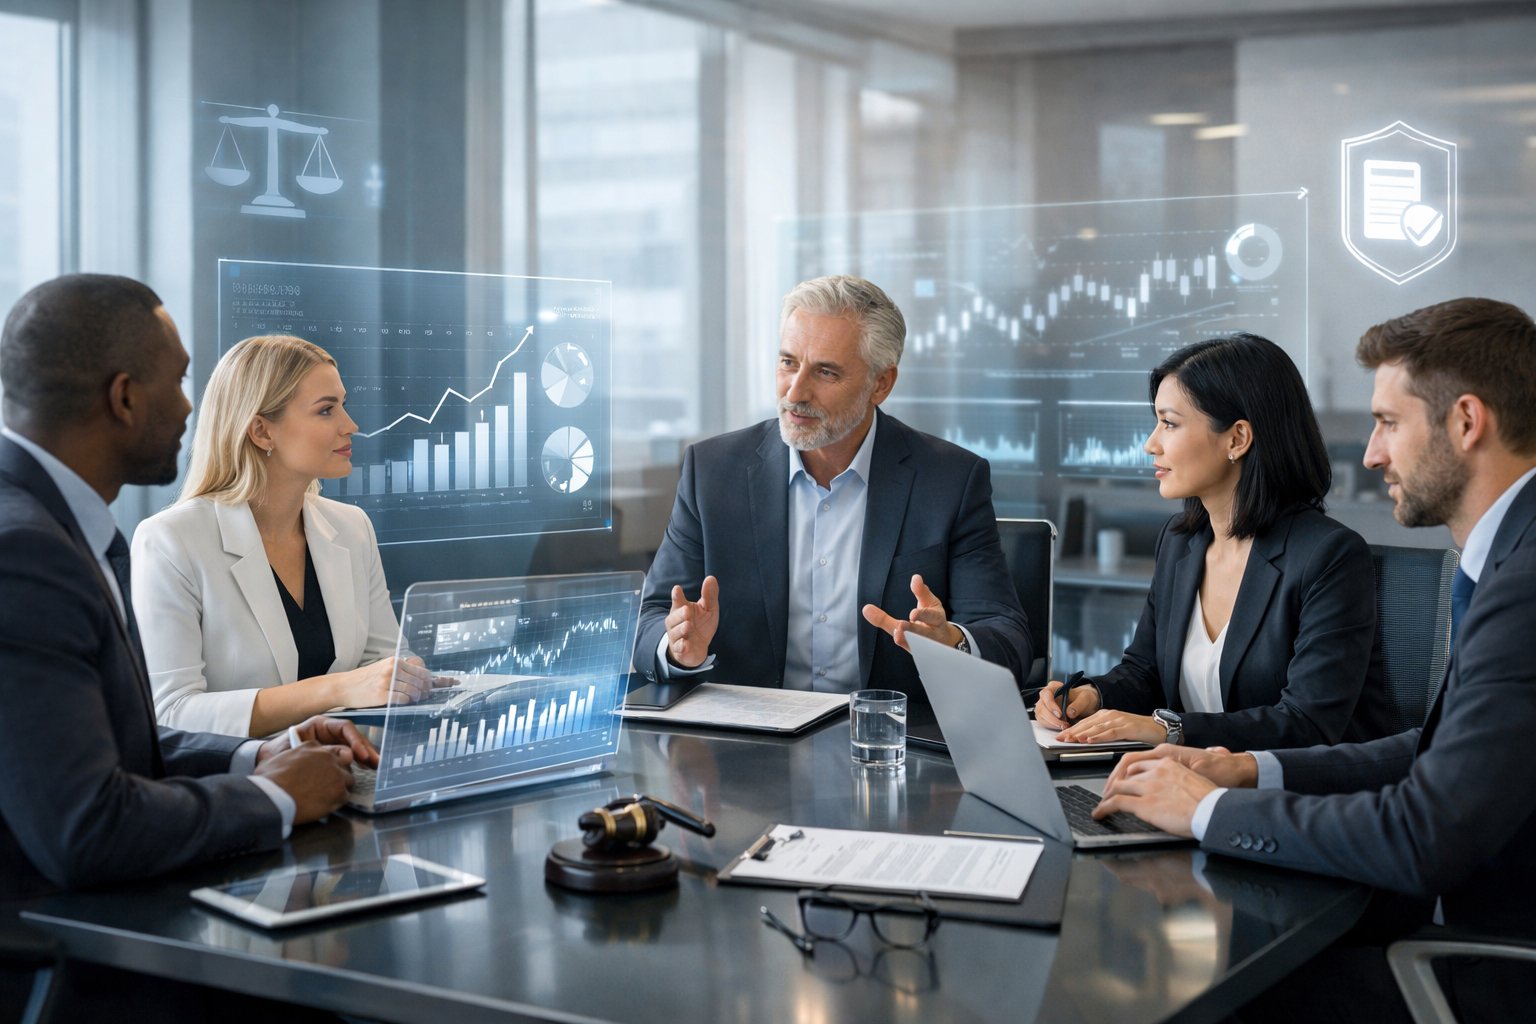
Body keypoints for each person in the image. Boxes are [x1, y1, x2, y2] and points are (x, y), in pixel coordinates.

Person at [1094, 298, 1536, 1022]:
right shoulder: (1508, 559)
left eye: (1389, 423)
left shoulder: (1522, 584)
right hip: (1466, 923)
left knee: (1200, 994)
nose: (1370, 453)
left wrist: (1211, 809)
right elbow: (1432, 750)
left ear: (1465, 421)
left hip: (1489, 958)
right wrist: (1247, 767)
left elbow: (1423, 834)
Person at [0, 274, 377, 899]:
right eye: (177, 382)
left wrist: (257, 755)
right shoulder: (24, 551)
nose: (188, 407)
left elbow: (120, 744)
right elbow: (86, 828)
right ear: (124, 398)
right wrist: (272, 794)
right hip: (78, 964)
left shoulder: (55, 529)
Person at [634, 275, 1030, 716]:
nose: (795, 392)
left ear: (881, 384)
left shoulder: (950, 479)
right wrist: (678, 647)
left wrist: (951, 642)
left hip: (887, 744)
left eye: (825, 371)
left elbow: (1006, 635)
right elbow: (653, 617)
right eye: (787, 362)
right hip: (744, 748)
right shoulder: (712, 471)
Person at [1035, 333, 1390, 751]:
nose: (1151, 443)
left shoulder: (1328, 557)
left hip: (1291, 801)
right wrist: (1091, 697)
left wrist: (1169, 730)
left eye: (1169, 423)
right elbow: (1144, 671)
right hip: (1186, 786)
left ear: (1237, 439)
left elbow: (1306, 724)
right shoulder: (1180, 543)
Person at [132, 334, 436, 737]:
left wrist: (407, 678)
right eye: (326, 410)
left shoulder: (352, 527)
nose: (351, 426)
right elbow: (171, 711)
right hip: (244, 788)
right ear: (261, 431)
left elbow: (382, 662)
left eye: (343, 405)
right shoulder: (170, 541)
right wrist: (336, 689)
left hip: (347, 775)